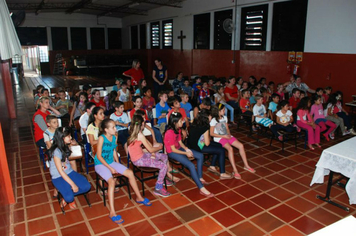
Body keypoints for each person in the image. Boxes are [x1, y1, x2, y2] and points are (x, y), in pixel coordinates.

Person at [95, 119, 152, 224]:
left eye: (114, 127)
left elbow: (114, 151)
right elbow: (98, 156)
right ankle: (112, 212)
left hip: (111, 162)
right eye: (113, 127)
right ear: (106, 130)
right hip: (100, 164)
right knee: (111, 181)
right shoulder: (101, 138)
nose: (115, 129)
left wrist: (118, 164)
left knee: (130, 173)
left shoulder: (114, 137)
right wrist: (111, 168)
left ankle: (139, 197)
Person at [164, 112, 214, 197]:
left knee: (200, 156)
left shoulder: (178, 129)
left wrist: (186, 148)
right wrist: (185, 152)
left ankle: (200, 178)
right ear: (175, 122)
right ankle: (202, 188)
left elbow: (180, 142)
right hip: (172, 152)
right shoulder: (169, 132)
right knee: (191, 165)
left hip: (179, 148)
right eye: (180, 121)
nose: (182, 122)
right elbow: (173, 149)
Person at [128, 115, 173, 197]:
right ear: (142, 124)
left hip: (141, 155)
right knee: (163, 165)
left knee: (164, 157)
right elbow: (151, 149)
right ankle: (158, 188)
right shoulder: (140, 135)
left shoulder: (134, 133)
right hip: (138, 160)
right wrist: (159, 147)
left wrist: (152, 152)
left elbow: (148, 147)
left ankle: (161, 178)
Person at [48, 127, 91, 210]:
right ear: (62, 138)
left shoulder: (65, 145)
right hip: (58, 176)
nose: (71, 137)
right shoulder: (56, 151)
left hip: (69, 172)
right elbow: (60, 171)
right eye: (68, 136)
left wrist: (74, 143)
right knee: (69, 198)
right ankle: (68, 197)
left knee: (87, 187)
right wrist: (73, 184)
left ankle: (66, 193)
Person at [210, 104, 255, 179]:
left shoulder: (224, 117)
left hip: (226, 135)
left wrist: (229, 134)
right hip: (218, 138)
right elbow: (211, 133)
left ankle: (246, 166)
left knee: (241, 146)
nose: (224, 111)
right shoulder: (213, 120)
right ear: (218, 111)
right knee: (230, 149)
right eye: (223, 110)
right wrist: (223, 136)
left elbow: (227, 128)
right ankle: (235, 170)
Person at [187, 109, 232, 180]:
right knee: (221, 150)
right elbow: (207, 143)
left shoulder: (195, 122)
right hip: (199, 147)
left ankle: (212, 166)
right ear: (206, 117)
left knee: (219, 145)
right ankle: (222, 173)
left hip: (192, 144)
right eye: (210, 116)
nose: (211, 118)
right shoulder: (205, 127)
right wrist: (207, 137)